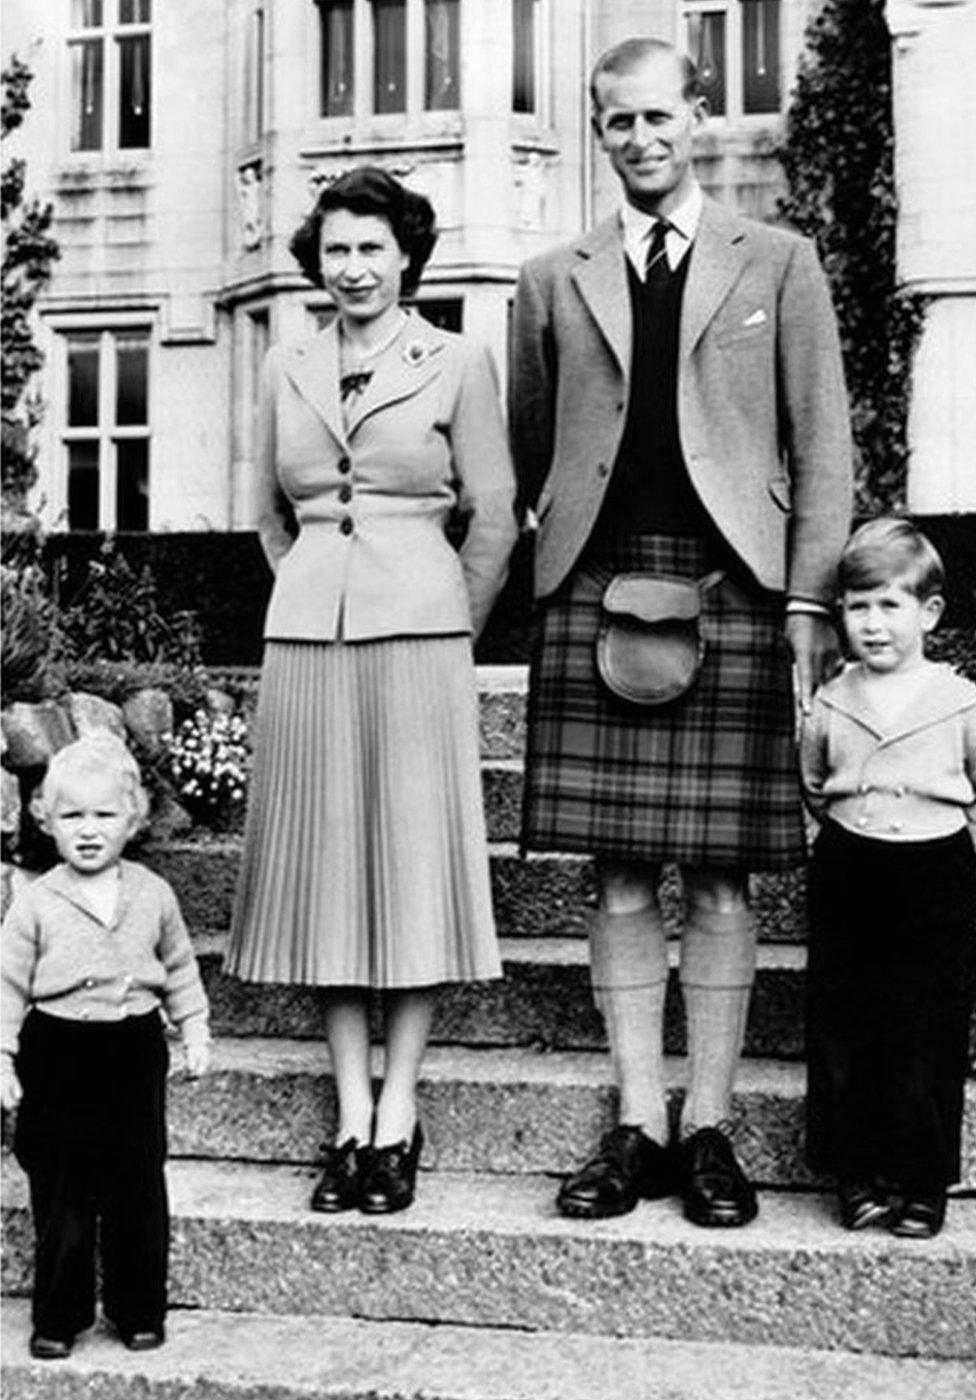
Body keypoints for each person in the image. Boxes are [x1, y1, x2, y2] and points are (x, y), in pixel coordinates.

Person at [510, 37, 852, 1227]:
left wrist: (806, 606)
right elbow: (530, 442)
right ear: (596, 130)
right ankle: (635, 1119)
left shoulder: (783, 260)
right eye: (618, 123)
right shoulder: (552, 275)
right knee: (613, 873)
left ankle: (707, 1125)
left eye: (660, 118)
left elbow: (823, 450)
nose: (642, 139)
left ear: (697, 118)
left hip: (739, 591)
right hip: (596, 585)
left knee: (718, 873)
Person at [226, 167, 517, 1216]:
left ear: (406, 258)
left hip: (420, 638)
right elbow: (270, 511)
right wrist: (316, 589)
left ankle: (401, 1110)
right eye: (337, 249)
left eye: (372, 248)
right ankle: (349, 1113)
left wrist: (449, 625)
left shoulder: (456, 361)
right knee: (328, 875)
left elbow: (492, 515)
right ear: (318, 260)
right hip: (307, 639)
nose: (353, 268)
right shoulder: (284, 364)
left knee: (408, 866)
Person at [0, 734, 211, 1359]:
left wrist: (194, 1028)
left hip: (134, 1049)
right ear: (46, 820)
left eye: (103, 815)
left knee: (137, 1181)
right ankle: (59, 1317)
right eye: (72, 816)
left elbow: (178, 968)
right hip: (58, 1051)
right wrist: (2, 1056)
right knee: (63, 1188)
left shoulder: (153, 894)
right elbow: (7, 985)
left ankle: (138, 1308)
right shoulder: (36, 902)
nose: (88, 831)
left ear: (133, 819)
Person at [801, 519, 976, 1238]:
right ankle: (856, 1173)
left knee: (926, 1022)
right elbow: (815, 782)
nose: (872, 624)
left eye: (889, 605)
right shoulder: (832, 701)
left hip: (935, 870)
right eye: (856, 606)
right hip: (851, 865)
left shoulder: (960, 701)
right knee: (846, 1022)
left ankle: (923, 1178)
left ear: (929, 613)